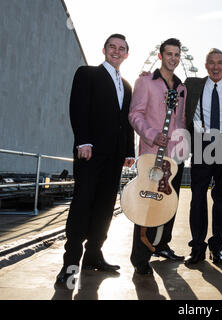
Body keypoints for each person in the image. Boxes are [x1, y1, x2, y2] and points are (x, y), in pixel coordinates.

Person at [56, 34, 135, 286]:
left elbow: (126, 121)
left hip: (115, 157)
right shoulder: (87, 74)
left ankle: (93, 255)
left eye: (121, 48)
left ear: (126, 54)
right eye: (112, 47)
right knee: (82, 205)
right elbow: (78, 107)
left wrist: (129, 151)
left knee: (104, 207)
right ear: (104, 49)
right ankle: (70, 263)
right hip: (90, 152)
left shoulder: (127, 85)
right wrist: (83, 141)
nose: (116, 51)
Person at [128, 38, 188, 275]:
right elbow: (135, 114)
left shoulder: (181, 88)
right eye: (169, 54)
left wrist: (183, 149)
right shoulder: (145, 82)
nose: (173, 58)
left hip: (175, 158)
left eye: (177, 55)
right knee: (147, 205)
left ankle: (162, 245)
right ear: (161, 55)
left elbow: (181, 121)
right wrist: (153, 135)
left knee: (169, 203)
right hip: (152, 154)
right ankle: (140, 257)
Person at [184, 48, 222, 265]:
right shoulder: (192, 84)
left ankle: (216, 246)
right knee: (197, 196)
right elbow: (168, 85)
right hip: (202, 142)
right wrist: (147, 76)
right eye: (211, 63)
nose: (215, 66)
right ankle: (197, 247)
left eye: (220, 62)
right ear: (205, 65)